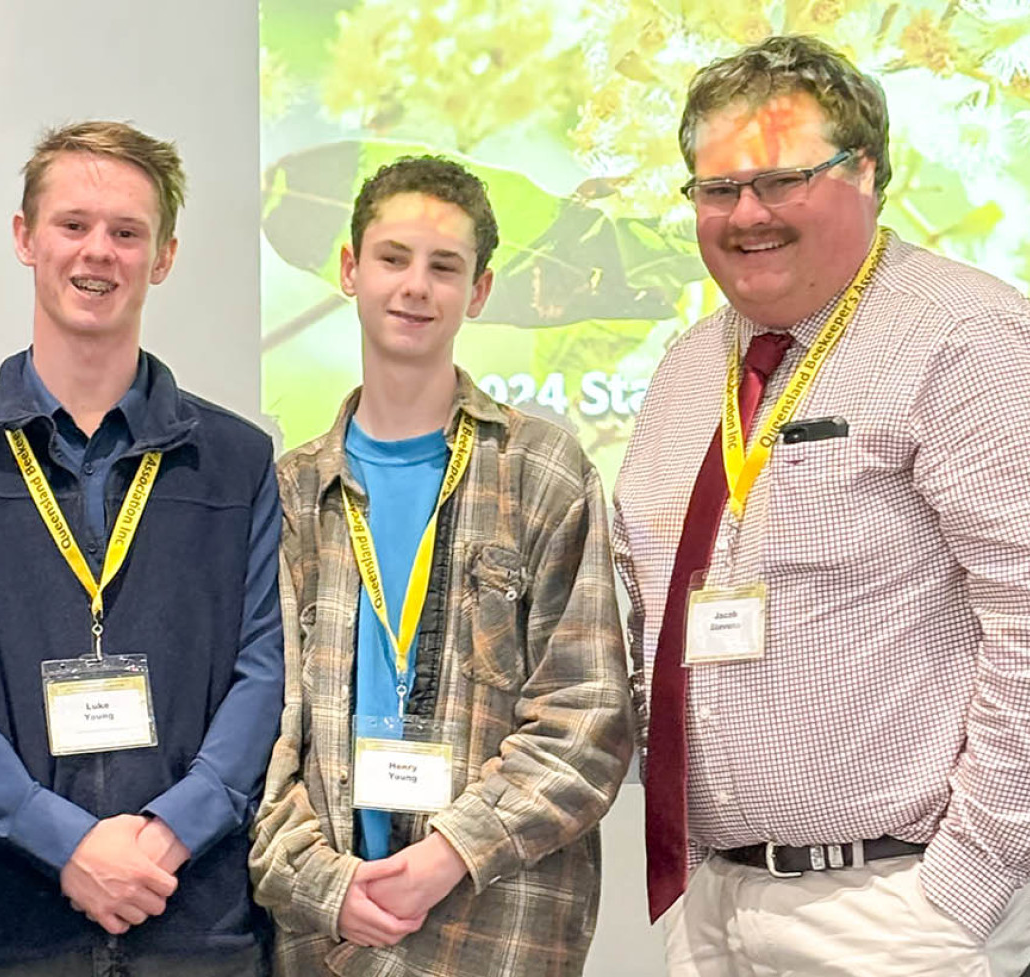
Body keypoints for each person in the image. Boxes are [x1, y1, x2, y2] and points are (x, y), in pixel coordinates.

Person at [612, 34, 1030, 976]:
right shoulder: (687, 369)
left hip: (895, 906)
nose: (747, 213)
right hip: (710, 901)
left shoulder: (967, 336)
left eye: (783, 178)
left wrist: (971, 876)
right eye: (717, 189)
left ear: (868, 171)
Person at [0, 120, 284, 976]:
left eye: (127, 232)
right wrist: (63, 841)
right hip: (9, 920)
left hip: (198, 916)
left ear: (164, 255)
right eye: (72, 225)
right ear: (26, 238)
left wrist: (171, 832)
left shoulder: (240, 462)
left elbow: (265, 668)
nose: (97, 253)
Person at [249, 156, 632, 976]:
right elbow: (259, 731)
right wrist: (323, 881)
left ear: (480, 292)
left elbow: (591, 715)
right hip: (332, 936)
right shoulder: (289, 492)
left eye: (444, 267)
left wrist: (449, 854)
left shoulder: (543, 472)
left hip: (495, 930)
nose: (415, 286)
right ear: (350, 270)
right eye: (392, 258)